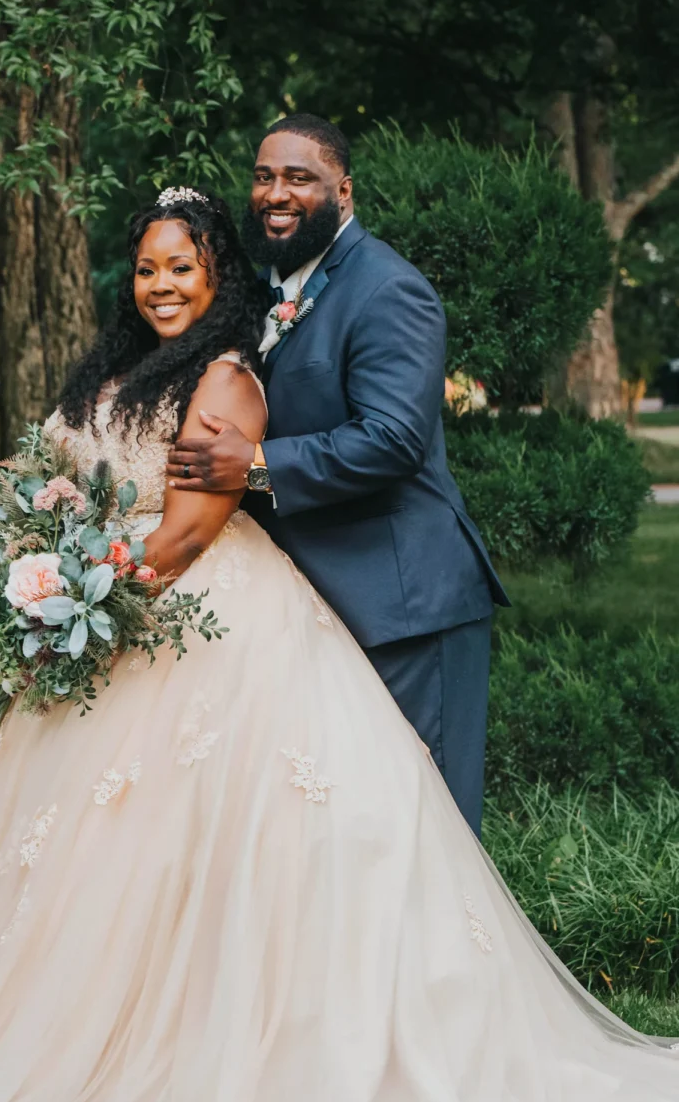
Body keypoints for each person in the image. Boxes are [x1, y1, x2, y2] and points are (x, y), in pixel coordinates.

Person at [0, 189, 679, 1102]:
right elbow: (66, 488)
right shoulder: (107, 374)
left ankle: (227, 1058)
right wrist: (44, 577)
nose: (162, 285)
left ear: (217, 278)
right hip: (106, 619)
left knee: (214, 839)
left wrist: (83, 598)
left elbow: (192, 527)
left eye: (182, 268)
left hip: (199, 620)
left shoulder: (224, 376)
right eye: (148, 268)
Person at [167, 115, 507, 838]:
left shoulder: (388, 290)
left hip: (406, 603)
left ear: (342, 192)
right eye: (264, 177)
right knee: (351, 835)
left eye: (298, 177)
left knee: (425, 827)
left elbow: (391, 442)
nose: (275, 193)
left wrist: (253, 470)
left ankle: (440, 959)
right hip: (320, 599)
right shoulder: (271, 290)